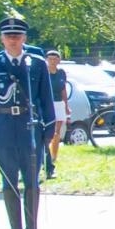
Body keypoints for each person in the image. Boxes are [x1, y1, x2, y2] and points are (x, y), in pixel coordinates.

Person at [0, 17, 55, 229]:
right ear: (2, 39)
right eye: (9, 36)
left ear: (24, 38)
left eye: (17, 36)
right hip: (3, 127)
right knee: (8, 183)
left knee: (32, 183)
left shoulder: (37, 63)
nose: (13, 40)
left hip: (29, 127)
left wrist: (50, 128)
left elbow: (46, 98)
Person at [44, 49, 69, 179]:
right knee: (49, 131)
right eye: (50, 58)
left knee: (57, 132)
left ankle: (54, 156)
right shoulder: (44, 73)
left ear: (59, 60)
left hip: (59, 103)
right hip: (48, 103)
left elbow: (63, 89)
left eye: (55, 58)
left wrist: (66, 105)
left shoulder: (61, 73)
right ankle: (46, 155)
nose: (53, 61)